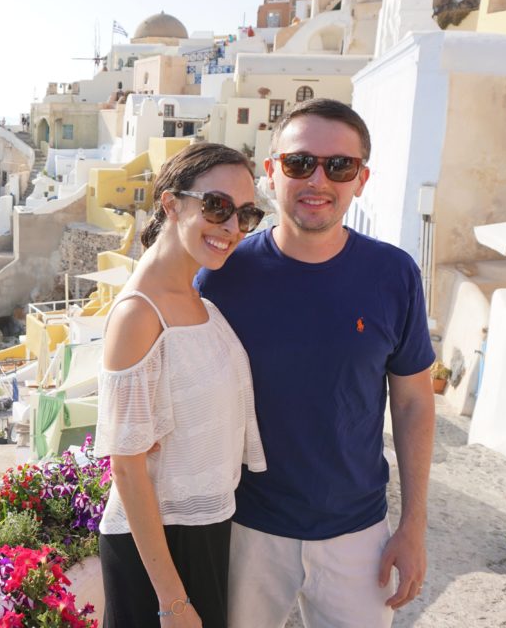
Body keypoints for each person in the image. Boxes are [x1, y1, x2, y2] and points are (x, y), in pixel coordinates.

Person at [196, 99, 436, 628]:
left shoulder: (394, 275)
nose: (317, 180)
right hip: (245, 528)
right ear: (271, 172)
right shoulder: (221, 275)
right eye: (300, 163)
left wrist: (413, 525)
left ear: (362, 179)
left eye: (340, 166)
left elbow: (414, 402)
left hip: (358, 534)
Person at [95, 142, 268, 628]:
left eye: (245, 214)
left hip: (203, 530)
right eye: (216, 206)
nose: (232, 227)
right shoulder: (139, 314)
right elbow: (126, 467)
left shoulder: (199, 301)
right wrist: (172, 601)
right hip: (158, 551)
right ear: (171, 203)